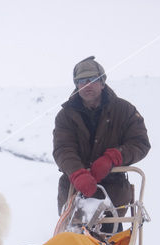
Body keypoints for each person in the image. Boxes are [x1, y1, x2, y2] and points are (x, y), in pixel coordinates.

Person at [52, 56, 150, 218]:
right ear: (76, 85)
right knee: (72, 237)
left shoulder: (124, 110)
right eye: (81, 81)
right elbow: (63, 149)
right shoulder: (65, 115)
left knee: (108, 238)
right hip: (74, 188)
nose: (87, 85)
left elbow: (140, 143)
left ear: (103, 82)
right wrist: (77, 173)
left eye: (92, 79)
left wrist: (113, 157)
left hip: (113, 188)